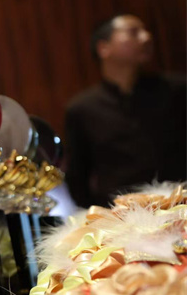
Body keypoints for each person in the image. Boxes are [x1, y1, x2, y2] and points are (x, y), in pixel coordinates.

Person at [64, 14, 186, 208]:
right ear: (104, 48)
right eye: (133, 32)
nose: (147, 37)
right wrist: (105, 213)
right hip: (123, 215)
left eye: (146, 31)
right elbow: (77, 176)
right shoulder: (82, 108)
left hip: (181, 203)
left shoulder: (177, 90)